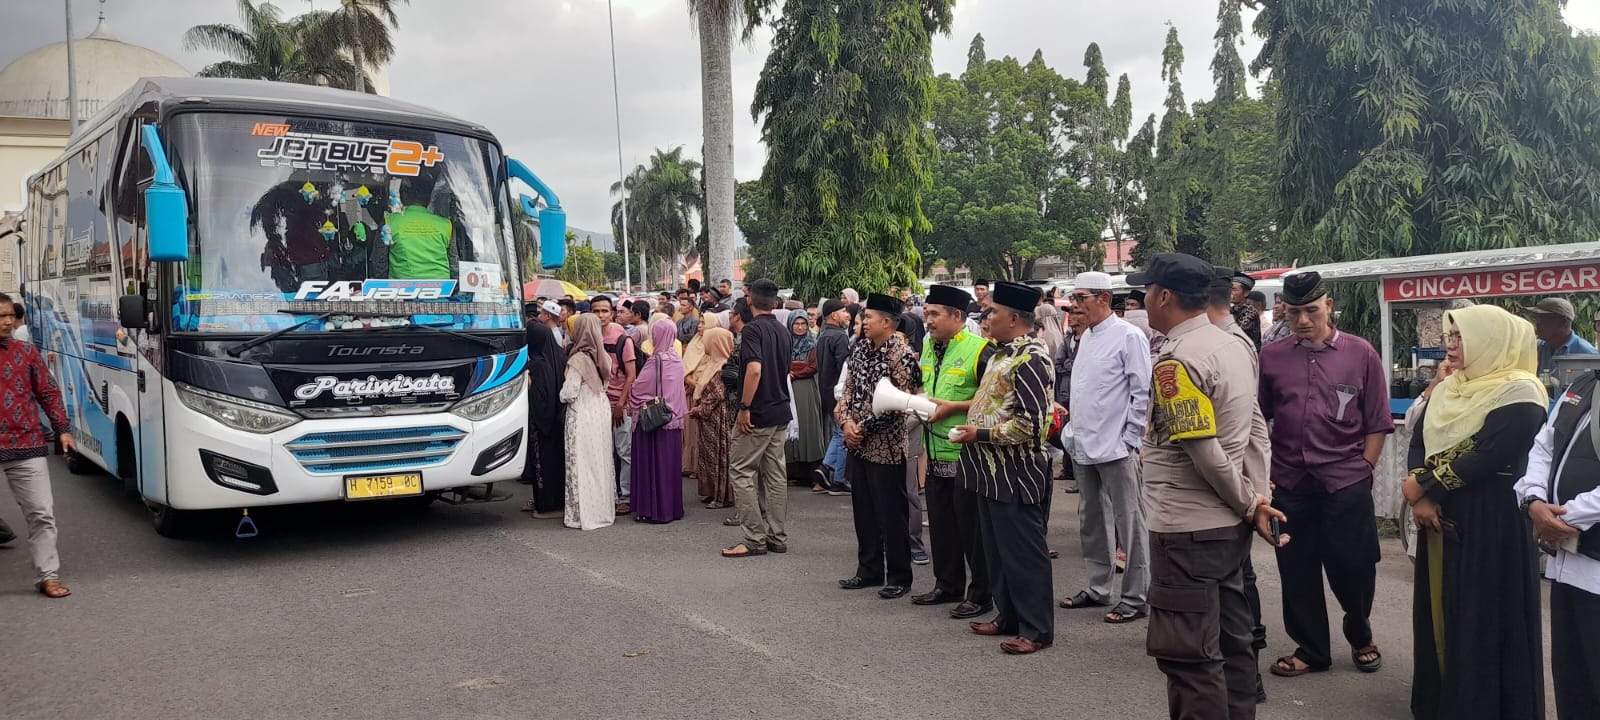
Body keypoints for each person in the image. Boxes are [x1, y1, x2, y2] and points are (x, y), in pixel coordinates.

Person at [1131, 253, 1287, 718]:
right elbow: (1257, 427)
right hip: (1226, 527)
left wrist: (1247, 503)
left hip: (1187, 530)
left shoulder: (1175, 361)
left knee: (1189, 657)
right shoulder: (1234, 344)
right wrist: (1258, 497)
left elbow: (1204, 453)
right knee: (1234, 646)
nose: (1142, 299)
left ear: (1163, 296)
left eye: (1146, 291)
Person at [1399, 306, 1546, 720]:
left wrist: (1425, 486)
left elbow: (1488, 451)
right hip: (1441, 511)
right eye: (1451, 337)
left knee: (1483, 613)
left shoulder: (1521, 391)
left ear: (1493, 341)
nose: (1451, 345)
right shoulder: (1451, 388)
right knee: (1440, 606)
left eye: (1462, 337)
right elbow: (1419, 440)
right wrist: (1421, 495)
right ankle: (1440, 701)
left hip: (1492, 517)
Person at [1259, 271, 1392, 677]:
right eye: (1294, 311)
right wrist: (1262, 476)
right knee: (1296, 568)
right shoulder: (1272, 356)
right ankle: (1312, 648)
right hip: (1290, 481)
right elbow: (1258, 418)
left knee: (1353, 565)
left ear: (1328, 306)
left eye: (1311, 311)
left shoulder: (1361, 353)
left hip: (1345, 480)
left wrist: (1365, 469)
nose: (1303, 320)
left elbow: (1377, 421)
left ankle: (1359, 631)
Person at [952, 281, 1056, 655]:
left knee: (1024, 553)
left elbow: (1030, 425)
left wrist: (978, 433)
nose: (987, 316)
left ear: (1014, 318)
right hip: (988, 471)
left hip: (1017, 471)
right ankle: (1007, 615)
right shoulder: (999, 354)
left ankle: (1036, 629)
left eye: (993, 311)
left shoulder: (1032, 359)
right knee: (996, 550)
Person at [1059, 271, 1154, 625]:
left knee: (1129, 521)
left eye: (1081, 298)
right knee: (1092, 520)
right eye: (1074, 298)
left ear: (1103, 299)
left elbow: (1141, 393)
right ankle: (1099, 588)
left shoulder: (1128, 336)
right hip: (1084, 442)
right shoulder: (1085, 338)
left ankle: (1136, 596)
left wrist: (1129, 439)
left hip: (1116, 446)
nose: (1074, 305)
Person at [1205, 271, 1275, 704]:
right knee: (1231, 580)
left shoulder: (1233, 343)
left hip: (1229, 486)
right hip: (1231, 485)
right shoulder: (1219, 341)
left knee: (1237, 580)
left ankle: (1246, 667)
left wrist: (1254, 495)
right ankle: (1239, 664)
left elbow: (1252, 428)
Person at [1517, 364, 1600, 720]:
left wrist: (1563, 517)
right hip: (1567, 566)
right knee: (1573, 681)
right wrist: (1533, 500)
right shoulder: (1583, 384)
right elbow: (1545, 445)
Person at [912, 284, 994, 620]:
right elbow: (924, 384)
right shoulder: (930, 346)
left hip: (967, 456)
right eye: (926, 313)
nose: (927, 320)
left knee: (972, 530)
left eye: (934, 314)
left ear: (957, 316)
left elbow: (994, 399)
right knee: (943, 526)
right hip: (934, 450)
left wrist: (952, 407)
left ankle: (981, 594)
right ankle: (947, 585)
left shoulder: (980, 350)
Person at [834, 293, 921, 597]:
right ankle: (868, 570)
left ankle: (899, 576)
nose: (863, 321)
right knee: (864, 511)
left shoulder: (902, 355)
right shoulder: (858, 349)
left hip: (886, 445)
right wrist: (845, 423)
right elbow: (846, 391)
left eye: (869, 317)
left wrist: (862, 428)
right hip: (857, 443)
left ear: (887, 321)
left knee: (891, 513)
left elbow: (901, 403)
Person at [0, 293, 73, 597]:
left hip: (26, 442)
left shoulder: (26, 352)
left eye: (9, 316)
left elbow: (49, 392)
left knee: (42, 512)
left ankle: (48, 575)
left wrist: (62, 429)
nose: (7, 321)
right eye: (0, 317)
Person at [722, 280, 794, 558]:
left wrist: (744, 406)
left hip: (758, 412)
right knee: (775, 474)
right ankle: (777, 536)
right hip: (780, 409)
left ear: (751, 302)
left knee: (741, 471)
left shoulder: (752, 330)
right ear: (775, 303)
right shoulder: (783, 330)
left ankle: (754, 537)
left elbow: (753, 370)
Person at [628, 318, 689, 524]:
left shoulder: (655, 361)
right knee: (669, 467)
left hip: (653, 421)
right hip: (672, 420)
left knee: (652, 466)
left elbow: (638, 390)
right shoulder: (676, 359)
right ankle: (671, 509)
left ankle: (652, 510)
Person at [561, 314, 617, 530]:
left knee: (581, 460)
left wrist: (561, 393)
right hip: (600, 408)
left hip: (582, 410)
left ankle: (582, 513)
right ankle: (601, 509)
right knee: (600, 459)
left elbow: (569, 392)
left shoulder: (578, 359)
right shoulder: (604, 355)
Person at [590, 295, 639, 516]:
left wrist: (620, 404)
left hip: (620, 405)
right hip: (596, 403)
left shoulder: (622, 340)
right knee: (603, 451)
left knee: (624, 452)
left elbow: (631, 375)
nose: (600, 315)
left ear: (612, 312)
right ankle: (608, 494)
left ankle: (626, 496)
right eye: (596, 311)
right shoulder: (589, 337)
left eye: (604, 311)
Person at [523, 323, 568, 520]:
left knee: (542, 464)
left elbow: (540, 398)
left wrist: (528, 385)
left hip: (542, 425)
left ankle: (547, 506)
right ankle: (555, 502)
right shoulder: (558, 355)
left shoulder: (538, 363)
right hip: (557, 421)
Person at [690, 326, 737, 510]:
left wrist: (700, 409)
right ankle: (712, 491)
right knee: (709, 456)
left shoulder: (722, 366)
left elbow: (718, 394)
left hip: (717, 418)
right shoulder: (713, 362)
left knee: (718, 456)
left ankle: (722, 496)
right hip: (709, 418)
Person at [815, 299, 853, 494]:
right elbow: (844, 368)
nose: (847, 314)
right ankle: (838, 478)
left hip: (825, 390)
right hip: (837, 392)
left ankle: (825, 468)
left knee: (838, 432)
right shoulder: (839, 337)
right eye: (843, 311)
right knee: (842, 433)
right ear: (833, 315)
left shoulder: (823, 335)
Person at [383, 176, 455, 280]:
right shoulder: (445, 224)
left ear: (404, 196)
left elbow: (380, 263)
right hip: (441, 290)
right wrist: (453, 291)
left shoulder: (389, 221)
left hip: (402, 291)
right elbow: (454, 264)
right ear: (429, 198)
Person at [786, 313, 826, 485]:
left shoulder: (813, 343)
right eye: (796, 323)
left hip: (806, 389)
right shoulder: (785, 343)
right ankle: (791, 471)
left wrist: (795, 372)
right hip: (788, 388)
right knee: (790, 427)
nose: (800, 327)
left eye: (803, 323)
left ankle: (809, 471)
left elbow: (813, 366)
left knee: (807, 426)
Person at [1524, 297, 1598, 375]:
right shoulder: (1539, 347)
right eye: (1536, 319)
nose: (1537, 324)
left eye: (1541, 319)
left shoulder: (1587, 354)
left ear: (1562, 323)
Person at [1229, 272, 1262, 349]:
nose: (1230, 292)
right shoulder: (1232, 309)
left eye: (1234, 289)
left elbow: (1236, 333)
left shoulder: (1250, 312)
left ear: (1246, 293)